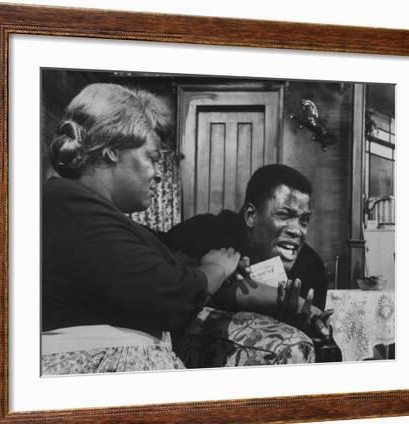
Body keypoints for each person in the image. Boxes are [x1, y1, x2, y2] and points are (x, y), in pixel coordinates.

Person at [41, 83, 326, 375]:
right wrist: (215, 268)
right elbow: (170, 292)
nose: (158, 174)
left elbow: (182, 274)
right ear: (112, 151)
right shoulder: (66, 205)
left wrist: (283, 299)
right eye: (152, 158)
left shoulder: (105, 218)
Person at [165, 164, 328, 310]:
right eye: (284, 215)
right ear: (251, 215)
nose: (297, 231)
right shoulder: (202, 234)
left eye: (304, 220)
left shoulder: (311, 267)